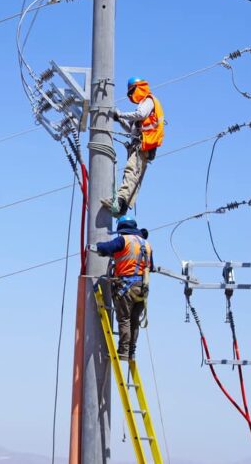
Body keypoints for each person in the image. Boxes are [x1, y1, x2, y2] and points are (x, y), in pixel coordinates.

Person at [101, 77, 165, 217]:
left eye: (132, 91)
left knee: (131, 173)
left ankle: (117, 203)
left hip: (143, 144)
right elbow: (131, 129)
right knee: (133, 177)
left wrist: (121, 114)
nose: (131, 96)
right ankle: (121, 209)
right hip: (142, 145)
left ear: (139, 87)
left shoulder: (148, 100)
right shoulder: (144, 104)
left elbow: (140, 114)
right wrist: (119, 119)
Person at [95, 215, 154, 360]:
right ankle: (131, 352)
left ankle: (123, 351)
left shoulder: (124, 240)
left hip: (126, 286)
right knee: (134, 320)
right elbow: (150, 266)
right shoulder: (147, 244)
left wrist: (96, 247)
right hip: (142, 287)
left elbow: (106, 248)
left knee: (124, 319)